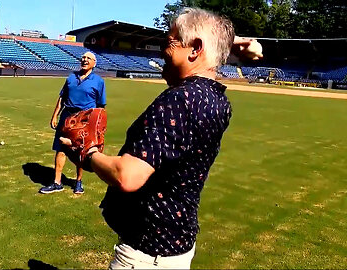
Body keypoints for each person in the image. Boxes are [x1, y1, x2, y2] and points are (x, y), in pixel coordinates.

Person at [64, 8, 259, 269]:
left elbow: (127, 176)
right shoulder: (218, 100)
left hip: (145, 254)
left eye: (170, 43)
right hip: (179, 245)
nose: (162, 51)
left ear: (195, 49)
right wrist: (227, 39)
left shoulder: (178, 100)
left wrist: (88, 155)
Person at [39, 51, 106, 195]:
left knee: (80, 151)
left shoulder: (98, 81)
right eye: (83, 57)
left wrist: (97, 124)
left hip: (84, 119)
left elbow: (101, 106)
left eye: (88, 58)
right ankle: (57, 183)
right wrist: (55, 115)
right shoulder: (71, 78)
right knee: (61, 148)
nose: (85, 60)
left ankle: (78, 181)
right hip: (67, 116)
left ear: (94, 63)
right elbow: (62, 98)